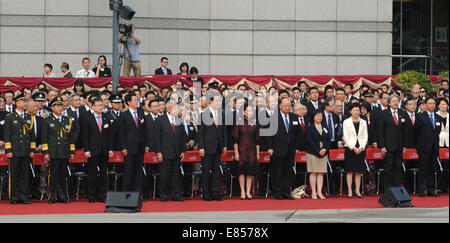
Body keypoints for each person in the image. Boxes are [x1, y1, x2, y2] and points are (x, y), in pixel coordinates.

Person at [41, 96, 76, 203]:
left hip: (64, 151)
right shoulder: (47, 120)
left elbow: (71, 137)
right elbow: (44, 138)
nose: (60, 108)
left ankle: (62, 196)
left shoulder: (68, 120)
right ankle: (52, 195)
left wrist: (71, 151)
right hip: (53, 151)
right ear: (52, 107)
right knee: (53, 175)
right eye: (57, 106)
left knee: (63, 175)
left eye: (61, 106)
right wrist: (46, 152)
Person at [4, 93, 36, 204]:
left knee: (24, 174)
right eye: (23, 101)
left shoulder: (29, 117)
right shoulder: (10, 117)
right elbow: (7, 136)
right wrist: (8, 150)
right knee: (13, 174)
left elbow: (32, 136)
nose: (25, 103)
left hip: (26, 150)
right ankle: (13, 196)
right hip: (15, 151)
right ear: (17, 103)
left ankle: (23, 195)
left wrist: (32, 150)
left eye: (25, 102)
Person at [81, 97, 112, 203]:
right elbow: (84, 135)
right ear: (92, 106)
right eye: (97, 105)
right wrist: (86, 150)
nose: (100, 107)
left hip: (104, 150)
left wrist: (110, 149)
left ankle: (101, 194)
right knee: (92, 173)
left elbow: (109, 135)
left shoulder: (106, 117)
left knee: (104, 174)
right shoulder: (86, 117)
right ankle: (91, 195)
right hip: (92, 149)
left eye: (101, 105)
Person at [268, 98, 300, 200]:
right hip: (277, 148)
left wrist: (297, 147)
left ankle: (286, 192)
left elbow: (297, 133)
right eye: (285, 105)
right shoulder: (273, 117)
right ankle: (277, 192)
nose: (287, 107)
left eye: (289, 106)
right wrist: (270, 147)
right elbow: (269, 134)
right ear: (280, 106)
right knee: (277, 171)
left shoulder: (294, 117)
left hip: (290, 149)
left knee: (288, 171)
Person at [198, 91, 227, 201]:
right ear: (210, 101)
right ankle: (206, 193)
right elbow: (200, 133)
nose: (219, 103)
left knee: (216, 171)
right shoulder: (204, 114)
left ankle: (215, 192)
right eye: (217, 100)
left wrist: (224, 145)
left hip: (218, 147)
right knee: (206, 171)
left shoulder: (221, 114)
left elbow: (223, 131)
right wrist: (201, 147)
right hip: (207, 147)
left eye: (220, 100)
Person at [154, 101, 186, 202]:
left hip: (177, 152)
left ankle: (175, 194)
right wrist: (158, 152)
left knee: (176, 175)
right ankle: (163, 194)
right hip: (165, 152)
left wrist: (183, 151)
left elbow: (183, 137)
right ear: (168, 109)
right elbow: (157, 137)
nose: (177, 110)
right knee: (164, 174)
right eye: (175, 108)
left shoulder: (179, 120)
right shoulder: (160, 119)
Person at [377, 94, 406, 193]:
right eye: (393, 101)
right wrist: (382, 146)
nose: (395, 103)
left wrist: (404, 145)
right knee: (388, 169)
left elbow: (405, 131)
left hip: (399, 146)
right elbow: (380, 131)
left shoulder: (402, 113)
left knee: (398, 168)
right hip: (388, 146)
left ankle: (397, 190)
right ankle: (388, 191)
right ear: (389, 103)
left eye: (397, 101)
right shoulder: (383, 113)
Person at [414, 97, 441, 197]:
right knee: (423, 169)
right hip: (423, 147)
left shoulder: (438, 117)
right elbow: (415, 132)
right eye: (430, 103)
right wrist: (420, 144)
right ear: (425, 105)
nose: (432, 105)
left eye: (434, 103)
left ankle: (431, 189)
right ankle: (421, 190)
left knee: (432, 170)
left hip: (434, 148)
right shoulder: (420, 116)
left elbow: (437, 132)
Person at [118, 93, 146, 192]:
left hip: (140, 147)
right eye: (134, 100)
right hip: (129, 147)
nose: (136, 101)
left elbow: (144, 130)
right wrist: (123, 147)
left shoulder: (141, 113)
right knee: (128, 171)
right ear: (129, 102)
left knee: (138, 171)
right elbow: (121, 133)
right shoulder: (124, 115)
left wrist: (145, 145)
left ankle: (137, 193)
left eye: (137, 100)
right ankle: (126, 192)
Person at [233, 103, 260, 200]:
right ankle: (242, 191)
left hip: (252, 150)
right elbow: (235, 140)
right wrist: (236, 153)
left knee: (250, 172)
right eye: (248, 110)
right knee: (241, 172)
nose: (250, 112)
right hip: (241, 150)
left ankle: (248, 191)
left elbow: (257, 140)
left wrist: (258, 153)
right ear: (244, 112)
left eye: (252, 111)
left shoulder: (255, 123)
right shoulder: (239, 122)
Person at [343, 103, 368, 199]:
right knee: (349, 171)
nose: (356, 112)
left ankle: (357, 190)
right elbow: (346, 136)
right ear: (350, 111)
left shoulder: (363, 122)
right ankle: (349, 190)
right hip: (350, 148)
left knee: (358, 171)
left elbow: (365, 136)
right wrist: (353, 147)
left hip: (360, 148)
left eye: (357, 110)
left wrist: (361, 147)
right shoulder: (346, 122)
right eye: (354, 110)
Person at [305, 110, 330, 200]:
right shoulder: (309, 127)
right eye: (317, 116)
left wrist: (325, 149)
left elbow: (328, 139)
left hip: (323, 153)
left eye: (321, 116)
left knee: (320, 172)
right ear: (313, 117)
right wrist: (318, 150)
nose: (319, 117)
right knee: (313, 172)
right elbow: (309, 141)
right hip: (312, 152)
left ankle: (319, 192)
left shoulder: (325, 127)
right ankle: (313, 192)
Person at [436, 98, 449, 192]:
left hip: (448, 142)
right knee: (439, 165)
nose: (444, 106)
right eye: (442, 104)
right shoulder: (435, 116)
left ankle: (445, 186)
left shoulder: (449, 115)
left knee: (447, 165)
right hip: (439, 142)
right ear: (438, 105)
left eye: (446, 104)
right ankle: (438, 185)